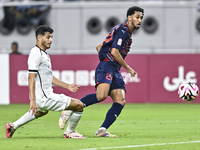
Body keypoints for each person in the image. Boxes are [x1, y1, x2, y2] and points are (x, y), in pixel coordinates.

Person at [58, 6, 144, 137]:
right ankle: (69, 109)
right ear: (129, 17)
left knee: (120, 100)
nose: (140, 20)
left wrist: (106, 60)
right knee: (101, 95)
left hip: (113, 67)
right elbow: (114, 52)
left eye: (141, 18)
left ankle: (102, 130)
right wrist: (125, 67)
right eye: (137, 17)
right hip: (108, 66)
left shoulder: (120, 29)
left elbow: (99, 46)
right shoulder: (123, 31)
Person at [5, 25, 86, 139]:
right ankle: (70, 132)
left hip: (42, 96)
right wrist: (33, 100)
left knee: (41, 112)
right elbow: (31, 77)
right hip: (44, 97)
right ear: (39, 38)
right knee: (79, 105)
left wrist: (67, 86)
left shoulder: (44, 55)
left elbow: (49, 78)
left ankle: (13, 126)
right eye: (48, 37)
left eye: (51, 37)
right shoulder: (36, 53)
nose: (51, 40)